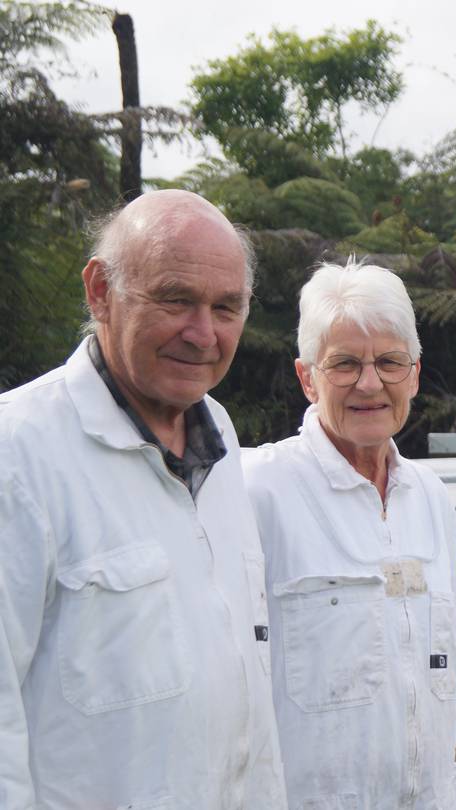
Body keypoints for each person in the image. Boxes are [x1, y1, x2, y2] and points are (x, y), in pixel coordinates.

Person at [0, 190, 286, 807]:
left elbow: (242, 687)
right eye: (176, 299)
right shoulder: (17, 453)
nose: (204, 333)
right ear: (100, 291)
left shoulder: (222, 438)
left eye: (226, 307)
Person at [243, 261, 456, 809]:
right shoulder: (259, 492)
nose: (369, 384)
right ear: (307, 378)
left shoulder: (432, 499)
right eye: (344, 364)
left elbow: (445, 687)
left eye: (389, 362)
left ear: (414, 374)